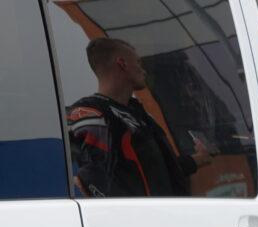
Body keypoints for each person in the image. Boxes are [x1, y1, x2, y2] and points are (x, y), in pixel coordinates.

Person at [66, 37, 211, 197]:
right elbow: (95, 178)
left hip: (167, 213)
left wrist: (198, 159)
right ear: (122, 63)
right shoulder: (92, 113)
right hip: (139, 218)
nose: (144, 70)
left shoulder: (137, 112)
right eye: (139, 63)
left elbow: (156, 172)